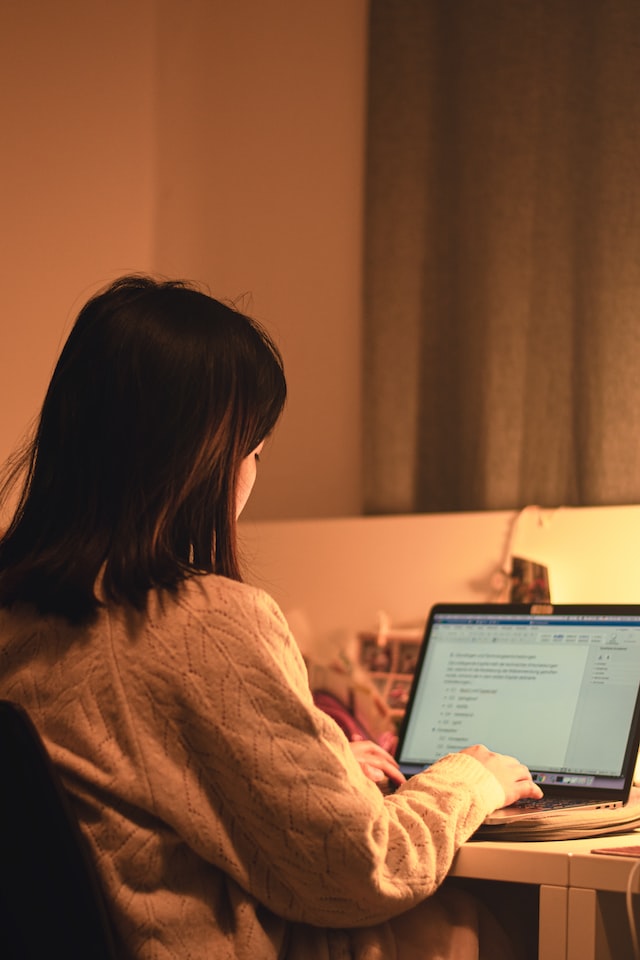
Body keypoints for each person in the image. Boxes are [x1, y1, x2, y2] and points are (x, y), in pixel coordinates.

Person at [0, 275, 542, 960]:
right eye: (255, 451)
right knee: (482, 923)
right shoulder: (200, 625)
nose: (256, 470)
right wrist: (473, 778)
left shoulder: (18, 618)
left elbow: (142, 773)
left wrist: (321, 765)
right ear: (201, 457)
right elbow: (367, 869)